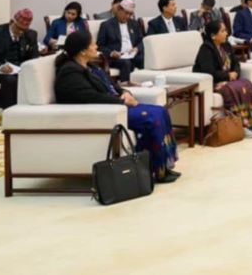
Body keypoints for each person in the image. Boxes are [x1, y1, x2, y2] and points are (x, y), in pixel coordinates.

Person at [55, 30, 179, 182]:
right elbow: (90, 97)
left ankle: (163, 166)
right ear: (82, 51)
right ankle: (152, 170)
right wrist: (122, 102)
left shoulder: (91, 66)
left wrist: (125, 93)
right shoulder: (70, 71)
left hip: (117, 105)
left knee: (160, 111)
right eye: (92, 44)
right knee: (152, 118)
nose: (96, 46)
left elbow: (113, 86)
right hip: (108, 112)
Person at [193, 20, 252, 138]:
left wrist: (235, 72)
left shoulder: (226, 45)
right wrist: (227, 76)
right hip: (213, 82)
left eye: (226, 30)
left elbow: (236, 62)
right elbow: (209, 72)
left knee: (246, 84)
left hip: (228, 79)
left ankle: (251, 123)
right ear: (213, 35)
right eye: (223, 31)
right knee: (231, 89)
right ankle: (239, 126)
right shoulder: (206, 49)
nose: (226, 33)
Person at [0, 8, 40, 111]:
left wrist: (26, 68)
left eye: (24, 30)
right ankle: (9, 111)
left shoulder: (31, 34)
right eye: (19, 28)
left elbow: (34, 56)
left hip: (20, 69)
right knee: (10, 80)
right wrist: (0, 66)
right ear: (12, 22)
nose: (21, 32)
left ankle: (28, 111)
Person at [97, 0, 145, 83]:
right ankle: (125, 86)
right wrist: (112, 53)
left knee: (144, 59)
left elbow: (141, 41)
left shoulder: (134, 24)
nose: (128, 16)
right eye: (126, 13)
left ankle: (146, 85)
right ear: (119, 10)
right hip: (115, 58)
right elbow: (100, 46)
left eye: (130, 14)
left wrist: (137, 48)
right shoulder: (106, 25)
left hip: (132, 55)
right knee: (126, 63)